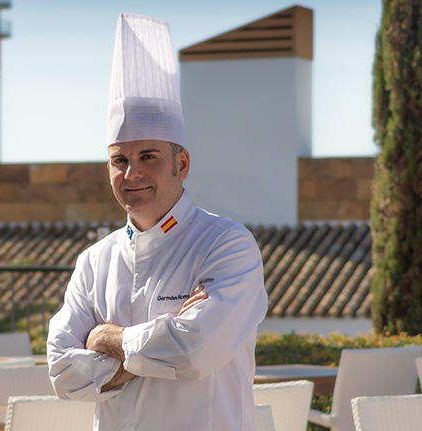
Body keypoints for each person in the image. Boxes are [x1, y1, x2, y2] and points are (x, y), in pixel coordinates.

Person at [47, 13, 268, 430]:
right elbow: (60, 372)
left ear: (181, 164)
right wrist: (160, 344)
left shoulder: (226, 244)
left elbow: (195, 350)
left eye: (148, 156)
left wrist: (103, 339)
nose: (132, 173)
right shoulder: (95, 260)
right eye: (119, 160)